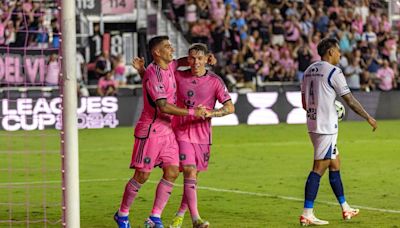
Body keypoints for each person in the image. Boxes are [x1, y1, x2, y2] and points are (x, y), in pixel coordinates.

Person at [132, 43, 235, 228]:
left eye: (200, 58)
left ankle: (178, 216)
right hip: (179, 131)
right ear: (188, 59)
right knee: (189, 170)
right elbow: (155, 84)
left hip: (203, 136)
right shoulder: (178, 75)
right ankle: (195, 219)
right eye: (192, 58)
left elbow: (230, 107)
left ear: (206, 59)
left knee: (193, 176)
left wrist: (212, 113)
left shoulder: (215, 81)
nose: (195, 62)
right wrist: (142, 71)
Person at [113, 36, 207, 228]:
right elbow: (163, 106)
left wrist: (204, 58)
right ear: (157, 53)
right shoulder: (153, 73)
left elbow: (182, 61)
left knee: (172, 171)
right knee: (142, 176)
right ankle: (122, 214)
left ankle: (154, 217)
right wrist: (192, 112)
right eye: (167, 47)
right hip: (150, 131)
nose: (171, 49)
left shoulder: (170, 66)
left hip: (167, 132)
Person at [300, 38, 377, 226]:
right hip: (326, 127)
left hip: (313, 123)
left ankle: (345, 208)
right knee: (319, 168)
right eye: (337, 51)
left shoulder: (309, 70)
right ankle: (307, 213)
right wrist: (368, 117)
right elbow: (349, 100)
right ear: (330, 52)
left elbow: (304, 103)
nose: (340, 54)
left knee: (335, 164)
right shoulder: (334, 71)